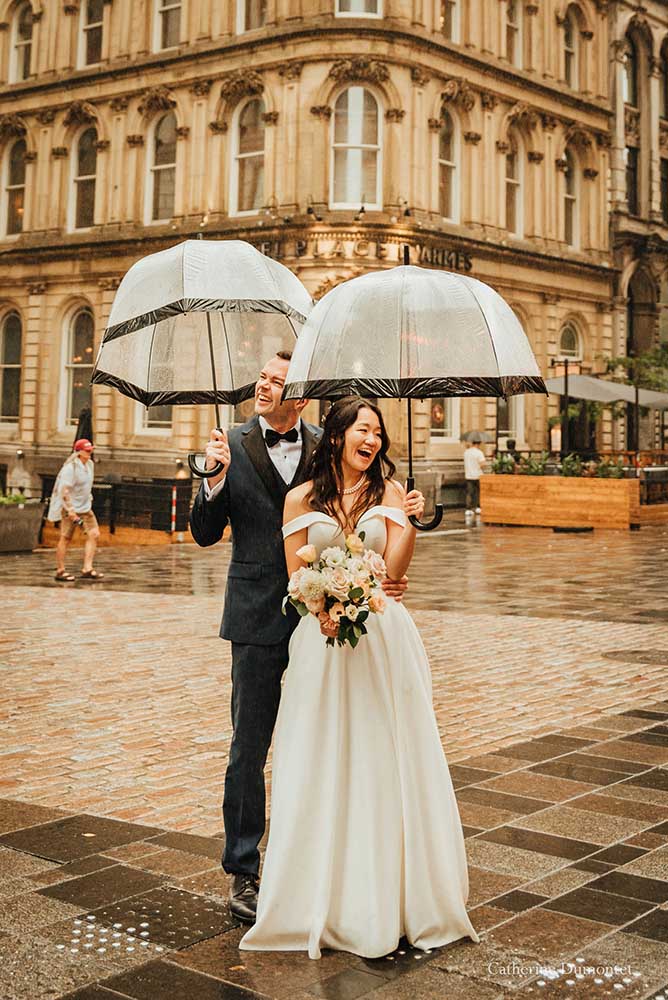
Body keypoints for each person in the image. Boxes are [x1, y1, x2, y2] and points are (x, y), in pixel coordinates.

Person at [240, 396, 479, 960]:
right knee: (320, 756)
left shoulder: (392, 495)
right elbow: (296, 570)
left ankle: (387, 894)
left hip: (381, 641)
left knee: (381, 756)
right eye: (362, 429)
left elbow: (393, 574)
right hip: (320, 644)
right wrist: (320, 605)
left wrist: (411, 524)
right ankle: (316, 893)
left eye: (378, 432)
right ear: (338, 435)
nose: (371, 440)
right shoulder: (300, 497)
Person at [189, 354, 407, 925]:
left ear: (301, 397)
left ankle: (314, 862)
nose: (262, 385)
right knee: (250, 745)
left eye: (276, 380)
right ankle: (243, 870)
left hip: (328, 622)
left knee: (323, 741)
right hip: (257, 616)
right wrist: (211, 482)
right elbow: (205, 535)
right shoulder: (228, 443)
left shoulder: (328, 440)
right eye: (260, 377)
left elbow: (366, 505)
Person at [48, 438, 103, 582]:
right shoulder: (70, 468)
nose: (90, 452)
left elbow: (86, 485)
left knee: (94, 534)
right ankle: (60, 570)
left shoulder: (89, 465)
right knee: (66, 538)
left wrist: (89, 498)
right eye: (87, 450)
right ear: (79, 452)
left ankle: (87, 568)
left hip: (85, 507)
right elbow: (64, 490)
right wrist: (71, 510)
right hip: (71, 508)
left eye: (91, 450)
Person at [463, 438, 486, 523]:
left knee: (469, 492)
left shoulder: (466, 452)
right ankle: (478, 507)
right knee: (478, 492)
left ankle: (468, 508)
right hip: (478, 475)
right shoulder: (479, 453)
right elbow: (482, 464)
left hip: (468, 475)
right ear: (478, 444)